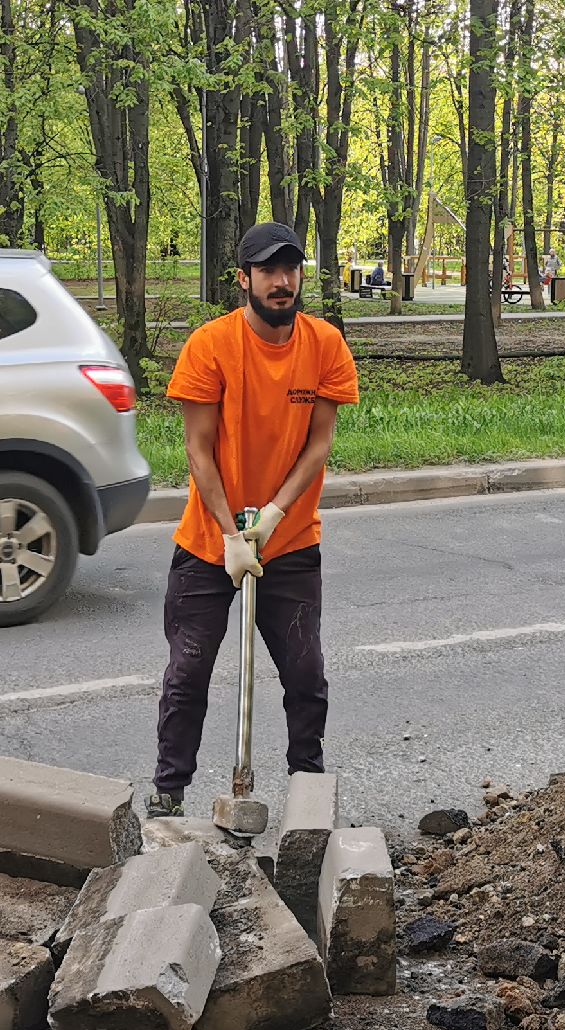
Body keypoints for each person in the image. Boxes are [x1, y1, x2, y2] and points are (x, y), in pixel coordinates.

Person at [147, 221, 360, 818]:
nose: (282, 281)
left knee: (306, 674)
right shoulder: (211, 345)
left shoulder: (324, 346)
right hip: (209, 540)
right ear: (244, 279)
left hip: (288, 539)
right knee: (187, 672)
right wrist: (228, 535)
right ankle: (168, 794)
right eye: (268, 270)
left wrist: (271, 515)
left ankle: (307, 794)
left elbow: (318, 446)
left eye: (290, 270)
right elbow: (199, 451)